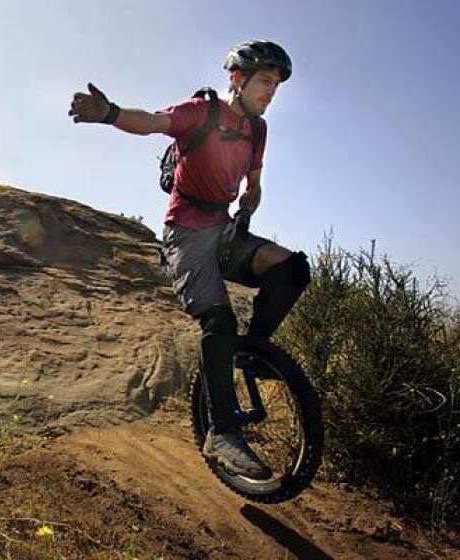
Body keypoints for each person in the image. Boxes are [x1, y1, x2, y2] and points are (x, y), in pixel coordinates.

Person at [68, 41, 310, 479]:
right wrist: (109, 113)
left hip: (224, 232)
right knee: (218, 320)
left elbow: (253, 181)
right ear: (238, 78)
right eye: (265, 81)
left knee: (292, 268)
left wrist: (251, 200)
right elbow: (153, 122)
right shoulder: (202, 112)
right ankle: (222, 430)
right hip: (186, 235)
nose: (271, 92)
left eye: (276, 85)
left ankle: (251, 356)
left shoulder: (258, 130)